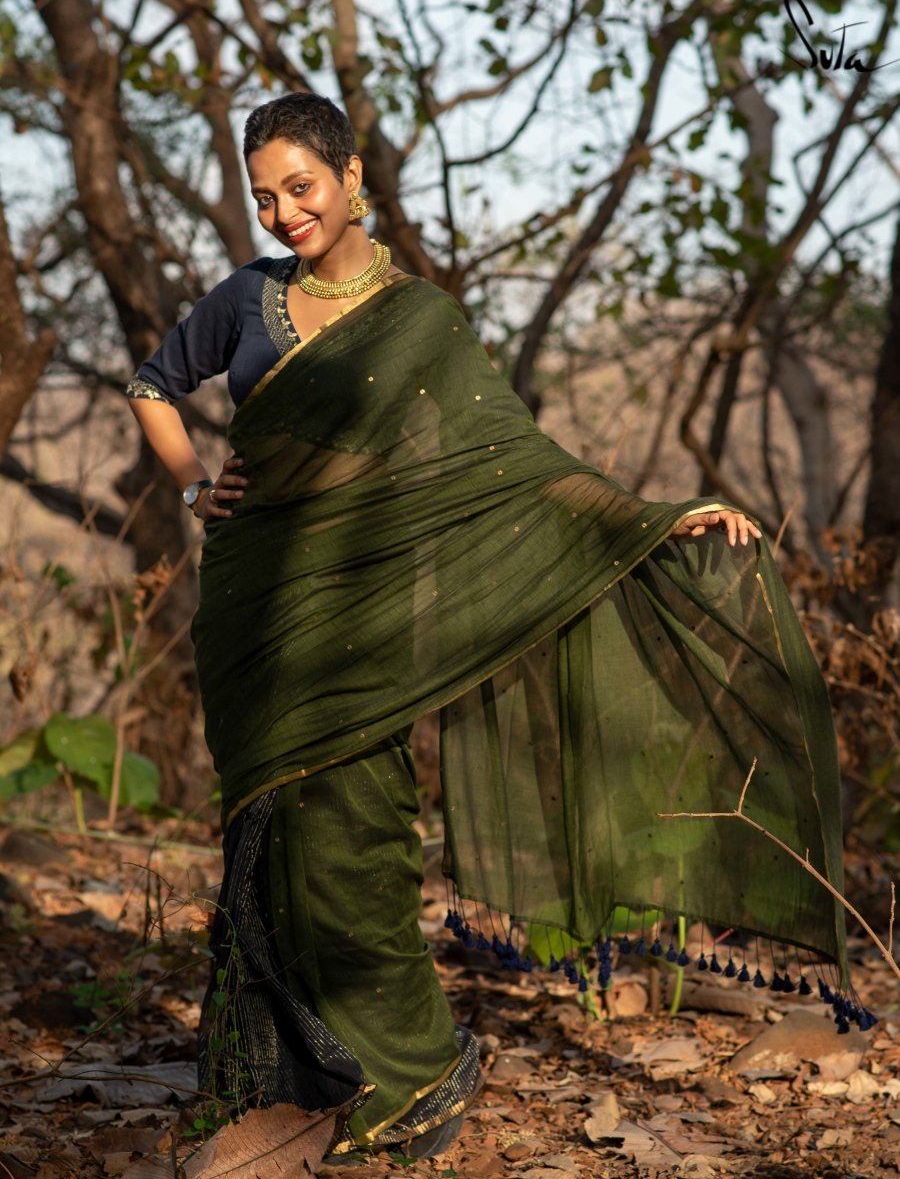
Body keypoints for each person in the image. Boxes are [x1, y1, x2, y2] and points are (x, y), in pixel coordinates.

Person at [127, 92, 864, 1159]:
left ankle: (415, 1067)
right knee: (275, 843)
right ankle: (312, 1067)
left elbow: (512, 464)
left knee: (360, 838)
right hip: (255, 608)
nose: (285, 212)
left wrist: (652, 521)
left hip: (366, 622)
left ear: (350, 178)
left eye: (302, 187)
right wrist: (196, 483)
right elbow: (156, 383)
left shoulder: (419, 320)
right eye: (265, 196)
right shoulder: (247, 299)